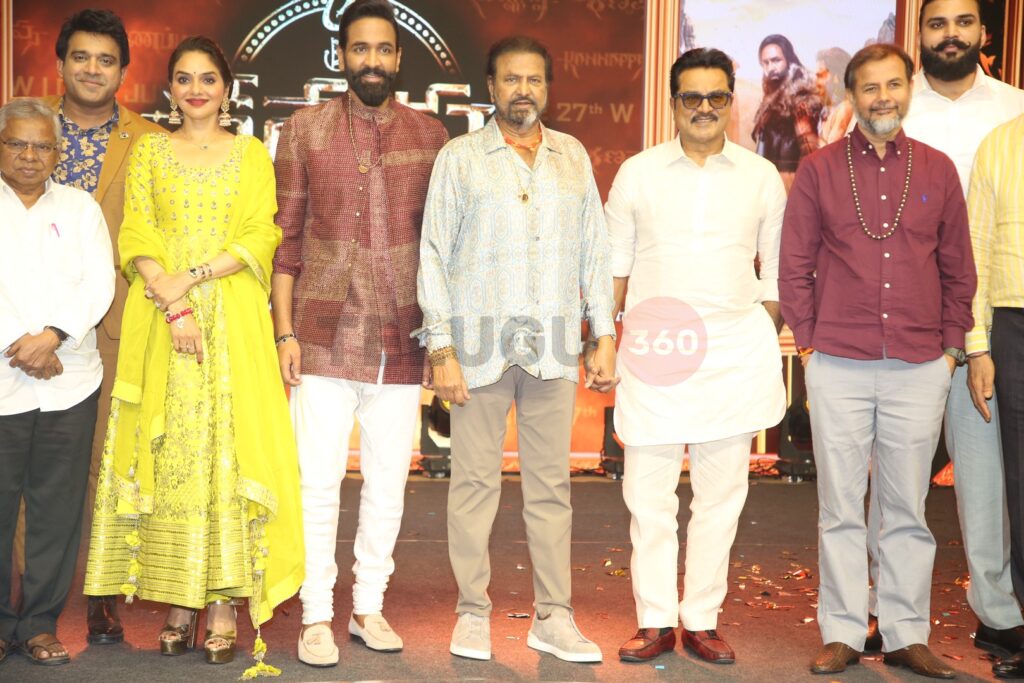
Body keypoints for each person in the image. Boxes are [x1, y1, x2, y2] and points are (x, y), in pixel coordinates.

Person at [81, 36, 303, 672]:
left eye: (208, 78)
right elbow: (137, 233)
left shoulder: (252, 153)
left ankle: (224, 604)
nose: (196, 89)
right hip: (163, 323)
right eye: (184, 78)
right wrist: (173, 301)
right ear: (169, 89)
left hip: (233, 322)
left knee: (227, 455)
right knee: (173, 457)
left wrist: (194, 276)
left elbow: (261, 233)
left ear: (227, 88)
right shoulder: (151, 151)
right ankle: (180, 601)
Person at [417, 35, 617, 664]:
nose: (523, 90)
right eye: (511, 79)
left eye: (534, 79)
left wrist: (603, 333)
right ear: (491, 87)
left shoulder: (572, 156)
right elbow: (433, 254)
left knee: (552, 488)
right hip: (477, 347)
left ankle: (553, 617)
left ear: (547, 88)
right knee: (473, 485)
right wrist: (441, 348)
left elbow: (595, 251)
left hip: (553, 347)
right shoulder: (460, 158)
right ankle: (472, 614)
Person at [780, 43, 975, 678]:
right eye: (870, 87)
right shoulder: (819, 170)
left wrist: (951, 350)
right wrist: (808, 342)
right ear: (852, 95)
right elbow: (794, 264)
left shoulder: (938, 170)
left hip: (920, 363)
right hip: (837, 358)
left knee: (906, 509)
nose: (882, 97)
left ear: (909, 89)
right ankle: (842, 631)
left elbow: (958, 267)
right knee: (840, 505)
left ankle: (905, 634)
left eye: (894, 84)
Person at [270, 0, 448, 667]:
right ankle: (316, 613)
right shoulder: (304, 130)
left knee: (387, 483)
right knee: (317, 482)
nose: (372, 60)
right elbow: (285, 239)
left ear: (398, 58)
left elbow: (441, 246)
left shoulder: (431, 135)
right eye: (360, 48)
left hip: (401, 336)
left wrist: (441, 337)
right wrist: (284, 333)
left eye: (383, 49)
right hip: (321, 334)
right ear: (342, 56)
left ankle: (368, 605)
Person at [606, 48, 787, 665]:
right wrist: (604, 338)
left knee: (721, 497)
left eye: (716, 97)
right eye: (692, 97)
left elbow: (777, 269)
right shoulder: (638, 172)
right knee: (648, 496)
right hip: (656, 350)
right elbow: (614, 266)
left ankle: (702, 619)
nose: (704, 108)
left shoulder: (760, 176)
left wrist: (760, 328)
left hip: (732, 354)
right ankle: (655, 619)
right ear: (673, 103)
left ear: (731, 101)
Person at [863, 0, 1024, 658]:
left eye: (963, 22)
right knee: (894, 476)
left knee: (985, 477)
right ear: (919, 33)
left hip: (982, 323)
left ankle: (998, 611)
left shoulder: (1015, 109)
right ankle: (882, 609)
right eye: (937, 23)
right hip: (900, 320)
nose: (950, 34)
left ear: (983, 32)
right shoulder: (892, 105)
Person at [38, 7, 164, 646]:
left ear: (123, 72)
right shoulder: (21, 127)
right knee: (21, 462)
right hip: (20, 320)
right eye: (81, 57)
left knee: (105, 463)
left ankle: (101, 592)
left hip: (112, 324)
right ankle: (21, 601)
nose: (92, 69)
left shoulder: (150, 140)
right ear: (60, 63)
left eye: (106, 60)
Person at [0, 97, 114, 665]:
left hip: (70, 380)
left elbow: (98, 283)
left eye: (42, 145)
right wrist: (19, 343)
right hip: (3, 381)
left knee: (57, 511)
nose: (30, 155)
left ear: (57, 152)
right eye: (17, 143)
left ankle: (40, 625)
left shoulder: (79, 207)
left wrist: (51, 336)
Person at [966, 113, 1024, 679]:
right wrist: (977, 346)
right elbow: (976, 254)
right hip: (1015, 323)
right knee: (1022, 488)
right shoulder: (1001, 143)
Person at [752, 34, 822, 191]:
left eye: (776, 60)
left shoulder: (800, 97)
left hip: (791, 185)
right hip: (770, 184)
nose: (771, 67)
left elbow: (810, 150)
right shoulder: (771, 97)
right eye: (765, 63)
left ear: (789, 60)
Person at [815, 47, 853, 146]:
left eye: (820, 75)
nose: (817, 81)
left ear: (836, 76)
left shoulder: (845, 109)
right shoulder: (827, 108)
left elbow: (830, 150)